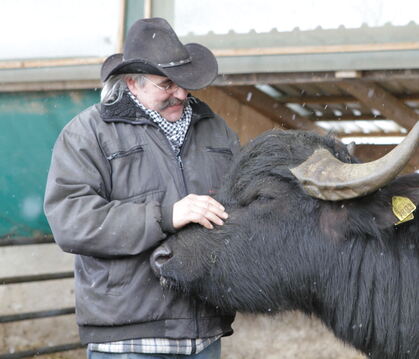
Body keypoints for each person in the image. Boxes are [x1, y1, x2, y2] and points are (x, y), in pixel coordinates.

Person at [44, 17, 240, 359]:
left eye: (185, 82)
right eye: (167, 84)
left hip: (204, 333)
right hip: (128, 338)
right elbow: (72, 221)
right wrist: (165, 216)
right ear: (132, 83)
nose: (180, 93)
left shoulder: (215, 130)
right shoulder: (87, 134)